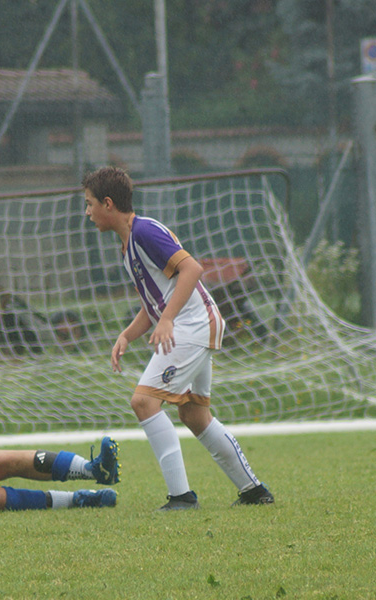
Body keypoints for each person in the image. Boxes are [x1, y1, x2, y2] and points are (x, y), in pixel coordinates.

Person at [82, 166, 274, 510]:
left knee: (143, 402)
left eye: (90, 203)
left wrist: (168, 319)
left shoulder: (144, 231)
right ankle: (254, 491)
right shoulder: (127, 245)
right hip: (195, 324)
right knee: (194, 415)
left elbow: (193, 269)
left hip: (193, 324)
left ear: (108, 204)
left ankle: (181, 498)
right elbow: (154, 303)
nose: (87, 212)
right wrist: (127, 335)